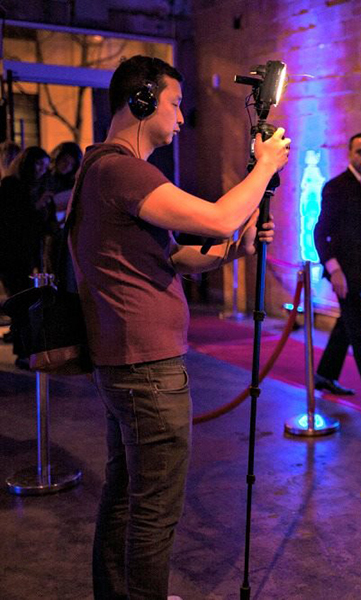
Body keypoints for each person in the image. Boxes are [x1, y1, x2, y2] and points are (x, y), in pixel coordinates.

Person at [68, 55, 289, 599]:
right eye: (174, 104)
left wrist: (230, 252)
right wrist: (263, 166)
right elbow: (214, 217)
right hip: (147, 369)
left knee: (126, 497)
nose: (182, 118)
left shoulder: (106, 170)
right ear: (141, 101)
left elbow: (178, 256)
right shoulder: (122, 169)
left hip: (130, 364)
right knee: (153, 512)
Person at [313, 133, 361, 417]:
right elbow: (321, 233)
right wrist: (334, 270)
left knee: (347, 325)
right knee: (360, 334)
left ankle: (324, 375)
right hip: (345, 274)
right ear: (349, 153)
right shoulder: (336, 187)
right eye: (360, 152)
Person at [0, 146, 53, 368]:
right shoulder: (11, 185)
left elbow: (43, 226)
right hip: (12, 254)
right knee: (22, 303)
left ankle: (31, 351)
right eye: (37, 163)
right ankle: (23, 352)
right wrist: (36, 207)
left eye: (45, 164)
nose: (41, 169)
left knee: (31, 303)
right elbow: (13, 220)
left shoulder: (41, 187)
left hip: (33, 254)